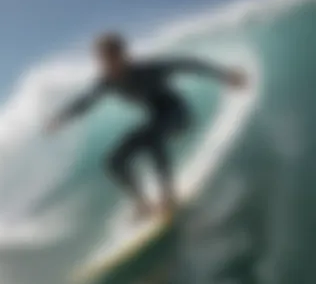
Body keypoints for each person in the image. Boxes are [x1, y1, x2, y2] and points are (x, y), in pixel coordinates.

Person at [46, 33, 246, 219]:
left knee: (152, 137)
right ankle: (143, 204)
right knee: (114, 162)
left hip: (178, 114)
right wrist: (61, 118)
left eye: (110, 59)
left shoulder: (147, 70)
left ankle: (169, 195)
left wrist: (224, 75)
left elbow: (186, 64)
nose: (106, 65)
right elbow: (85, 102)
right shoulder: (107, 82)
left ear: (123, 55)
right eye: (102, 61)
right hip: (156, 120)